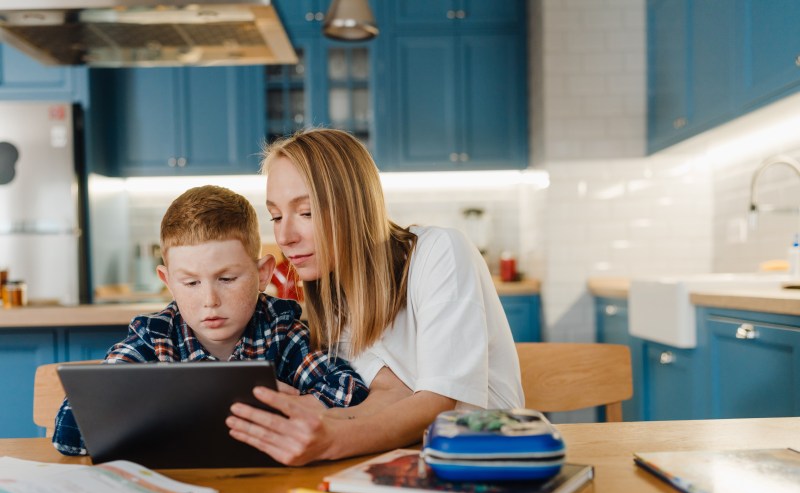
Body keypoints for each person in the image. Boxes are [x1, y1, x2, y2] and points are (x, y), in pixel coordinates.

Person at [226, 129, 523, 466]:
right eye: (276, 216)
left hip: (490, 460)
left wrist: (331, 438)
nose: (284, 236)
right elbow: (387, 396)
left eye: (306, 213)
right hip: (414, 465)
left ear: (354, 206)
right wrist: (302, 422)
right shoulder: (334, 299)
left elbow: (437, 406)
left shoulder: (439, 252)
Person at [52, 184, 368, 455]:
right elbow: (70, 430)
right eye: (190, 283)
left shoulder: (281, 331)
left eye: (227, 278)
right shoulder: (155, 338)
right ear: (168, 281)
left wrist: (301, 402)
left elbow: (353, 396)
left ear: (262, 274)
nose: (210, 300)